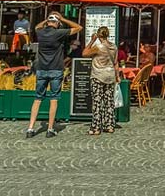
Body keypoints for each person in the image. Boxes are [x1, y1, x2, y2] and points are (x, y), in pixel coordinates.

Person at [26, 9, 82, 138]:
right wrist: (62, 19)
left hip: (41, 68)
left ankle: (30, 128)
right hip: (55, 69)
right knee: (54, 99)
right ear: (57, 23)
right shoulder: (59, 33)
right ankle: (50, 128)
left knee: (37, 99)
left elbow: (36, 26)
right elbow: (79, 27)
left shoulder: (40, 33)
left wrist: (47, 19)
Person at [82, 26, 119, 136]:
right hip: (110, 75)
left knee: (97, 101)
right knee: (109, 101)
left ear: (99, 35)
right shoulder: (114, 47)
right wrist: (117, 76)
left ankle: (96, 127)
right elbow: (116, 62)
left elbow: (84, 53)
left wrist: (92, 40)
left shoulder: (98, 47)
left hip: (98, 75)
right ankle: (109, 125)